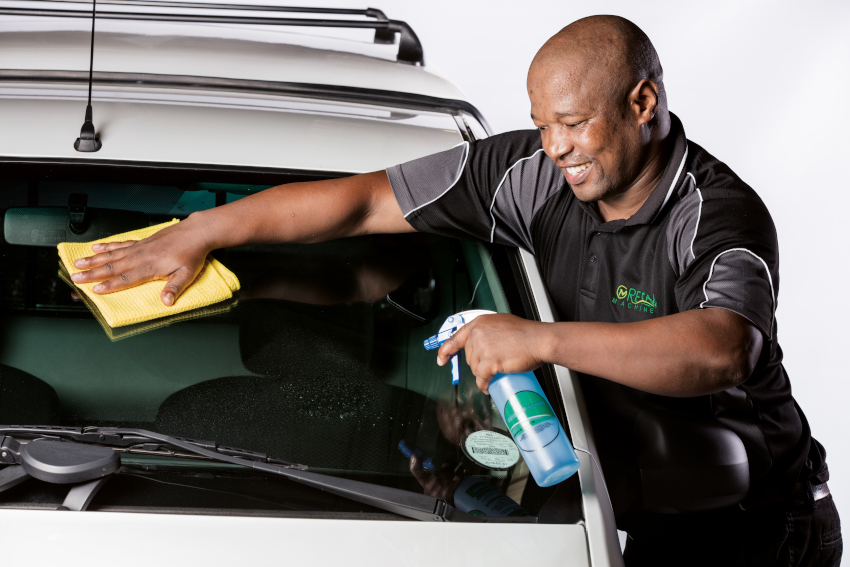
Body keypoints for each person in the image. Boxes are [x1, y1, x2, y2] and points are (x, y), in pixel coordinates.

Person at [69, 15, 840, 566]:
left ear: (642, 104)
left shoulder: (716, 213)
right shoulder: (531, 174)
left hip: (754, 522)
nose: (554, 148)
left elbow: (721, 348)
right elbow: (365, 201)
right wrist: (209, 230)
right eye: (540, 125)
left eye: (571, 123)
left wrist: (533, 338)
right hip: (617, 496)